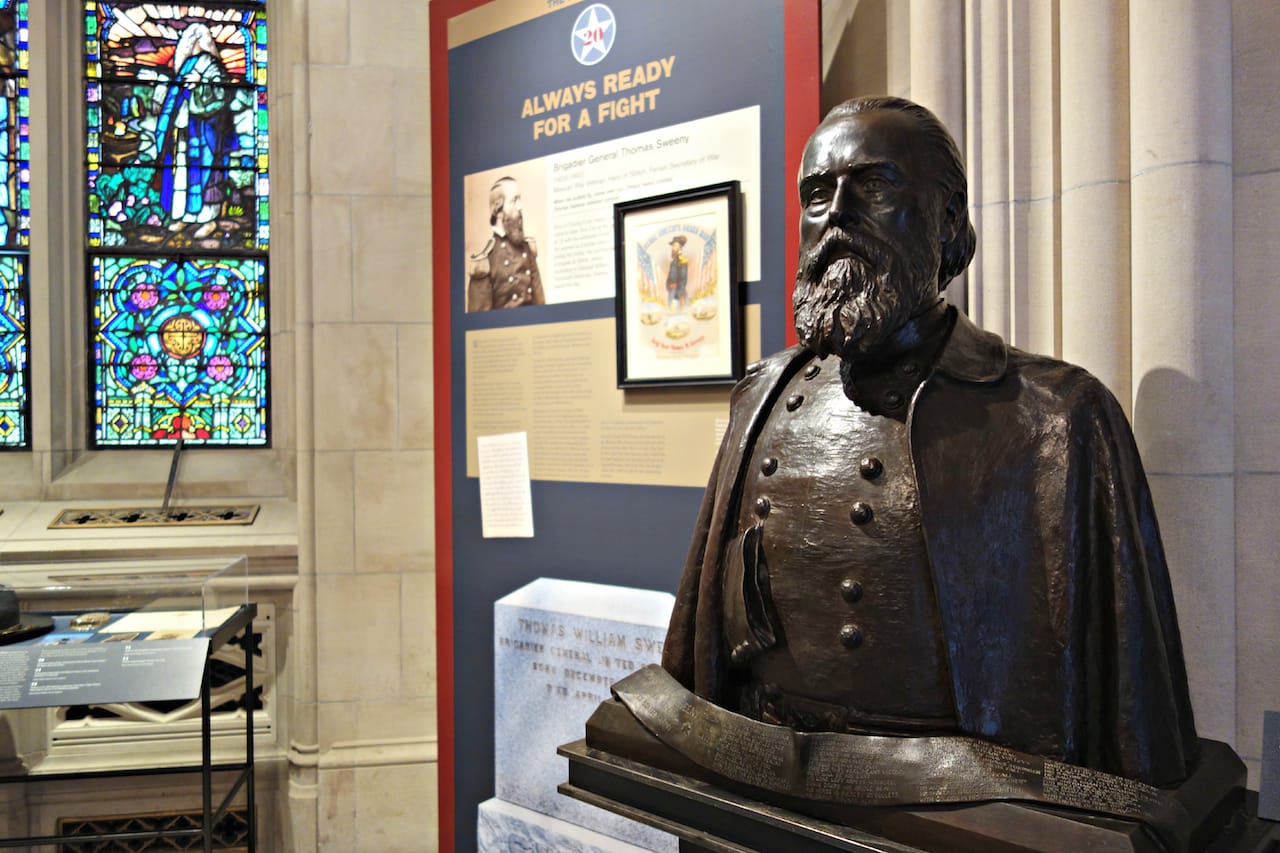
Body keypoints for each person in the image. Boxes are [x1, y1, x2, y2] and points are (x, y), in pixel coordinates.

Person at [659, 96, 1200, 789]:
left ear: (948, 223)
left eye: (876, 187)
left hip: (953, 811)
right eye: (817, 194)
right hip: (763, 786)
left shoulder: (1056, 418)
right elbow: (702, 653)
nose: (838, 216)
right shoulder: (761, 395)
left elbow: (1130, 713)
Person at [155, 23, 232, 240]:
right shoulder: (187, 65)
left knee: (207, 174)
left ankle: (209, 220)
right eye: (188, 39)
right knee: (182, 172)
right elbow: (174, 97)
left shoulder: (213, 65)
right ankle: (183, 215)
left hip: (206, 131)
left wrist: (201, 84)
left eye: (195, 39)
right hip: (185, 129)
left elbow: (221, 95)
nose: (190, 43)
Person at [467, 177, 545, 311]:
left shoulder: (527, 249)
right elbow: (480, 323)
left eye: (519, 200)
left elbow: (541, 305)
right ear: (498, 211)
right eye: (514, 200)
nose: (520, 207)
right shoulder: (485, 262)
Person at [665, 235, 690, 309]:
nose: (673, 248)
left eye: (675, 245)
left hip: (678, 293)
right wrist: (668, 285)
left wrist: (676, 297)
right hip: (672, 291)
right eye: (673, 246)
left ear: (680, 248)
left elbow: (683, 279)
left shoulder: (682, 260)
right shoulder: (674, 261)